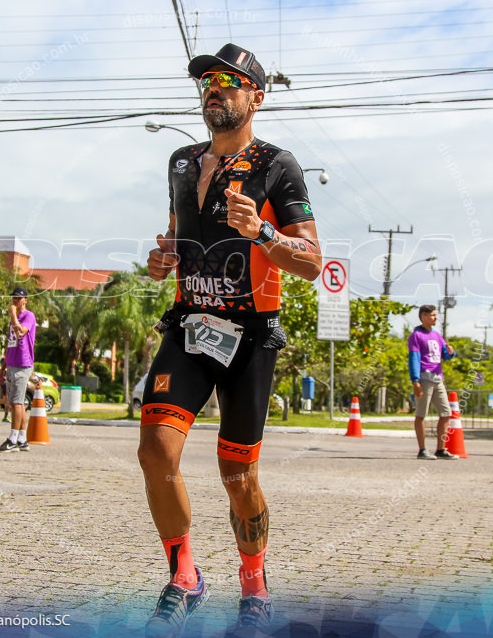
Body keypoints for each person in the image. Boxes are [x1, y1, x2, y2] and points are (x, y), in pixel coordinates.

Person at [139, 42, 321, 637]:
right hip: (190, 326)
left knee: (236, 475)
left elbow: (312, 261)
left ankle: (253, 580)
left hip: (250, 337)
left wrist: (264, 231)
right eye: (206, 81)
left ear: (256, 97)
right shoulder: (181, 162)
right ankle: (185, 576)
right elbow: (174, 234)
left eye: (228, 81)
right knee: (155, 451)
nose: (213, 88)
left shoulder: (278, 164)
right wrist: (162, 257)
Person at [408, 304, 458, 460]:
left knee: (446, 414)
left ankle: (441, 449)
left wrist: (451, 352)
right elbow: (414, 358)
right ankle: (422, 450)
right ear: (424, 316)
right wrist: (415, 380)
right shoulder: (416, 336)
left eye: (436, 315)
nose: (436, 318)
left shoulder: (437, 335)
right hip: (424, 377)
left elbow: (446, 356)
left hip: (438, 378)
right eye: (433, 315)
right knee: (421, 414)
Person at [0, 287, 36, 452]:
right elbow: (10, 345)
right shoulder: (14, 319)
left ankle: (12, 439)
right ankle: (21, 439)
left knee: (16, 402)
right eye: (13, 298)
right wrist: (3, 367)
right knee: (17, 402)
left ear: (25, 300)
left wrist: (13, 315)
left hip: (22, 364)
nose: (15, 301)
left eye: (19, 298)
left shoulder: (28, 316)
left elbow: (20, 333)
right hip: (12, 364)